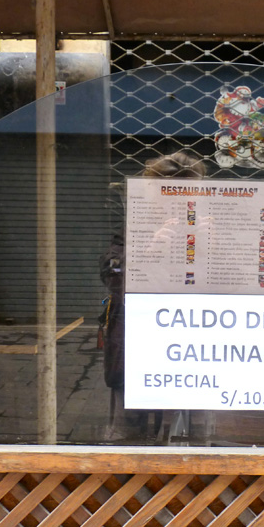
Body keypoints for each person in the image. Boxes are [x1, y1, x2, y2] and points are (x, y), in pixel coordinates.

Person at [100, 151, 207, 442]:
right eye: (166, 196)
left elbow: (242, 281)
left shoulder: (210, 225)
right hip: (139, 337)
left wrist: (216, 244)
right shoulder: (136, 227)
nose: (176, 206)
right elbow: (111, 273)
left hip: (196, 337)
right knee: (128, 430)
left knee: (190, 428)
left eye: (185, 196)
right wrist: (147, 252)